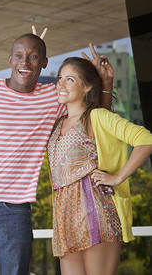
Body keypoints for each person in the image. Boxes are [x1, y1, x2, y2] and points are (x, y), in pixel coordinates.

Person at [0, 31, 113, 274]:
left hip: (14, 212)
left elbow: (96, 120)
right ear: (10, 60)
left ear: (44, 63)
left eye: (34, 57)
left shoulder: (53, 99)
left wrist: (105, 82)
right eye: (19, 56)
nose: (25, 62)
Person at [47, 56, 152, 274]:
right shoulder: (58, 123)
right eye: (60, 78)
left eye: (70, 79)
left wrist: (117, 177)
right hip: (64, 215)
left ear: (87, 87)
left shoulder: (98, 116)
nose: (61, 84)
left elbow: (145, 139)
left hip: (95, 210)